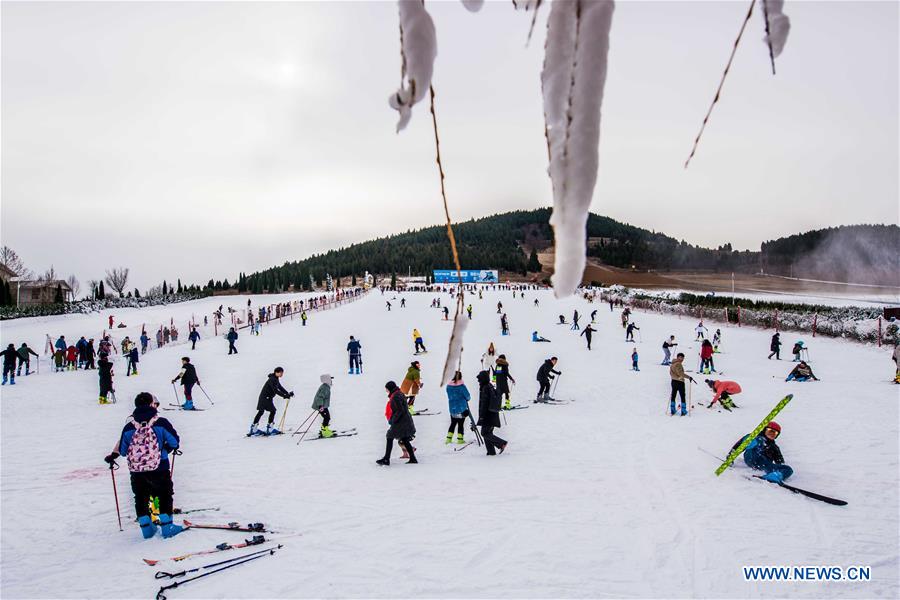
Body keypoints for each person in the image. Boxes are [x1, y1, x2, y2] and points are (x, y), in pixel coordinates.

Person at [104, 392, 182, 539]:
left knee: (140, 497)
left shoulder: (129, 426)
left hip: (137, 470)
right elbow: (174, 441)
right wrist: (165, 449)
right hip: (160, 467)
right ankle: (167, 527)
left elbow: (123, 450)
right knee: (164, 495)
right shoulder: (161, 422)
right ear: (152, 404)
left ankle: (147, 529)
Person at [377, 381, 417, 465]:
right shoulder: (398, 393)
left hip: (401, 422)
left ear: (390, 388)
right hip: (405, 420)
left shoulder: (395, 397)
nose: (386, 391)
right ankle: (413, 458)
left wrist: (392, 420)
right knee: (405, 439)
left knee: (389, 436)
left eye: (387, 389)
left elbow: (399, 411)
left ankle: (386, 459)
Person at [249, 367, 294, 436]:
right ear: (277, 372)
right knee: (272, 411)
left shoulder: (275, 379)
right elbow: (275, 390)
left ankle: (254, 429)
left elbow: (280, 387)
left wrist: (287, 393)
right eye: (281, 372)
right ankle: (269, 429)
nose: (282, 374)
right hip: (265, 398)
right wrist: (285, 396)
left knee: (261, 412)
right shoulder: (272, 379)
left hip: (265, 398)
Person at [477, 370, 507, 455]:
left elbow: (484, 403)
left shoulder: (485, 388)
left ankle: (501, 444)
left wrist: (482, 416)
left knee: (484, 433)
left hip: (488, 415)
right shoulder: (489, 386)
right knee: (488, 433)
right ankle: (491, 452)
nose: (478, 380)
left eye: (479, 379)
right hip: (492, 414)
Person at [445, 371, 471, 445]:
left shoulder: (448, 386)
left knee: (453, 423)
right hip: (461, 408)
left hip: (452, 408)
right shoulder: (462, 386)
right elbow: (468, 396)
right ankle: (460, 439)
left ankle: (448, 439)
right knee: (460, 424)